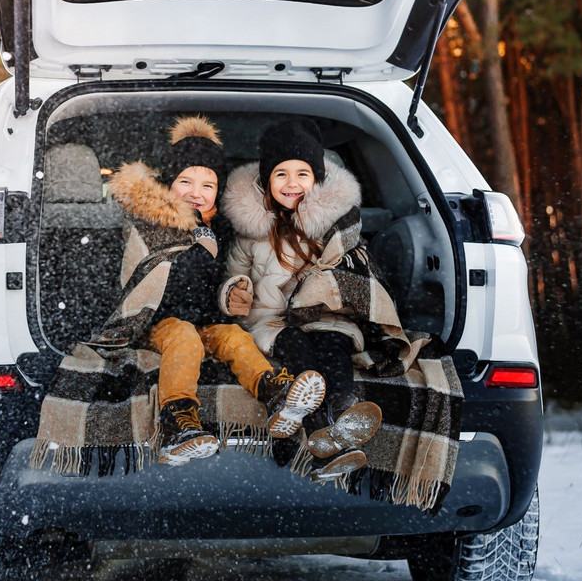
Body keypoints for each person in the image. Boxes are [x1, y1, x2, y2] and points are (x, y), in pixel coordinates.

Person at [105, 115, 327, 465]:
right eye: (185, 181)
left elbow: (221, 279)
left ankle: (276, 393)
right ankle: (177, 420)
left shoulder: (220, 229)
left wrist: (231, 291)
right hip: (159, 323)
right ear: (168, 184)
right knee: (183, 337)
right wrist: (195, 253)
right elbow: (147, 283)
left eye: (207, 185)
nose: (196, 192)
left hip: (206, 321)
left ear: (218, 191)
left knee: (234, 337)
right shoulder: (152, 224)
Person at [221, 116, 397, 480]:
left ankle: (341, 413)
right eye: (281, 174)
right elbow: (232, 277)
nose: (292, 183)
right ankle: (324, 434)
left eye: (302, 174)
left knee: (333, 344)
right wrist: (233, 293)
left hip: (325, 317)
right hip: (268, 320)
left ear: (317, 179)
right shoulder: (248, 236)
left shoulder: (334, 230)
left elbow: (357, 272)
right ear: (266, 181)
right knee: (297, 347)